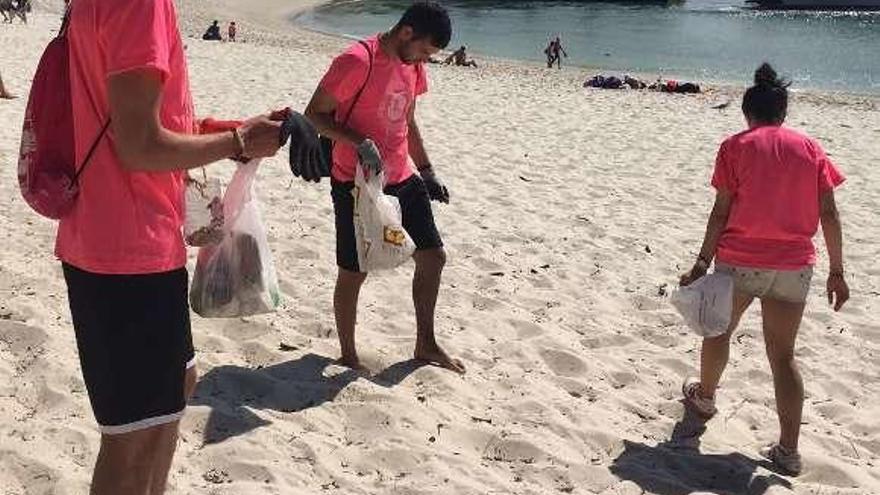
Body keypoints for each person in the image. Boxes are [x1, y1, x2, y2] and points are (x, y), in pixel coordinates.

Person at [60, 1, 311, 493]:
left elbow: (146, 119)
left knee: (177, 391)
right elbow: (139, 146)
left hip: (123, 241)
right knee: (131, 440)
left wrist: (244, 130)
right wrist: (238, 140)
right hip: (126, 251)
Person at [679, 63, 849, 477]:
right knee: (783, 356)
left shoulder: (734, 146)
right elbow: (828, 211)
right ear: (783, 114)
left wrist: (702, 262)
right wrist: (838, 270)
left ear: (747, 114)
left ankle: (704, 398)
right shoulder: (810, 148)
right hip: (794, 266)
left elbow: (720, 212)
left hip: (740, 259)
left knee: (719, 331)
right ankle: (788, 452)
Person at [305, 1, 465, 374]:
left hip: (402, 175)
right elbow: (314, 114)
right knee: (354, 270)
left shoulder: (414, 65)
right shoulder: (357, 60)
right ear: (406, 32)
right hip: (355, 182)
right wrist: (358, 141)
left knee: (432, 257)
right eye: (425, 49)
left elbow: (407, 121)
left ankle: (425, 342)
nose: (424, 59)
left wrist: (427, 171)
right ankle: (348, 354)